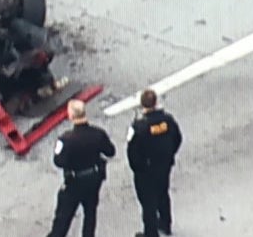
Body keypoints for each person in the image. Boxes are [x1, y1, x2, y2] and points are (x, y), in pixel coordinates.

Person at [47, 99, 116, 237]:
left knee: (63, 217)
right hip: (94, 179)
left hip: (74, 182)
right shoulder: (98, 134)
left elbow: (58, 161)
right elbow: (110, 151)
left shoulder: (66, 139)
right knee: (90, 213)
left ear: (71, 116)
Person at [126, 88, 182, 237]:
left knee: (148, 202)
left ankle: (150, 233)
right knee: (163, 193)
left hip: (146, 170)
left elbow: (132, 152)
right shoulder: (167, 120)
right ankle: (165, 223)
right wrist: (169, 155)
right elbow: (177, 138)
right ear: (156, 102)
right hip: (164, 166)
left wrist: (138, 169)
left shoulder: (138, 127)